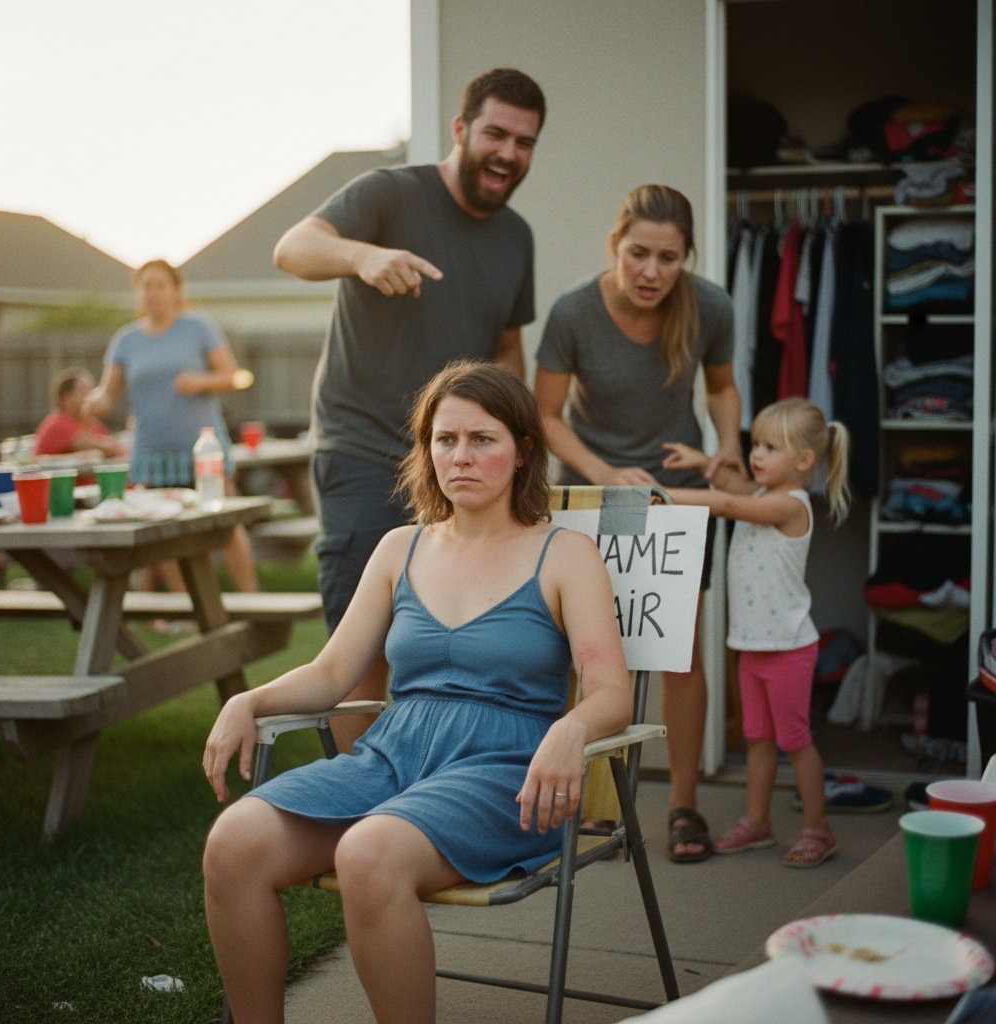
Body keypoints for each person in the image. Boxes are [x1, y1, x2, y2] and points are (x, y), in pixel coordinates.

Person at [201, 360, 631, 1024]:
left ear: (522, 452)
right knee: (233, 842)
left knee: (368, 854)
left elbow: (609, 691)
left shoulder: (565, 554)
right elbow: (331, 673)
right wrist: (247, 701)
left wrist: (571, 729)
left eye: (483, 439)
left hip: (505, 771)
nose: (461, 456)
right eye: (445, 439)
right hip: (394, 758)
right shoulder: (400, 548)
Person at [272, 67, 546, 753]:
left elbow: (506, 350)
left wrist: (514, 447)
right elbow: (292, 248)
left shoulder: (516, 238)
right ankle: (355, 806)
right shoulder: (391, 194)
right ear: (460, 130)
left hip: (462, 469)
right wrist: (361, 256)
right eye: (496, 133)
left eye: (525, 141)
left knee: (455, 653)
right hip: (367, 456)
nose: (508, 152)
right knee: (363, 655)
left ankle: (421, 808)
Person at [534, 183, 742, 863]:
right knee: (586, 654)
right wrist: (602, 473)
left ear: (687, 258)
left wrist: (729, 448)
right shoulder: (572, 312)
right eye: (638, 254)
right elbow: (544, 417)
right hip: (596, 500)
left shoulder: (709, 305)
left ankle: (683, 807)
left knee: (678, 653)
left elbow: (719, 387)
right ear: (615, 246)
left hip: (673, 499)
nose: (652, 271)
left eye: (668, 257)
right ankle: (582, 802)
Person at [661, 397, 851, 868]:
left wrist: (664, 496)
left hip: (788, 649)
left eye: (770, 447)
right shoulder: (764, 495)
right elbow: (730, 484)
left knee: (795, 740)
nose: (756, 454)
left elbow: (727, 502)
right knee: (757, 740)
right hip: (753, 647)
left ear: (805, 461)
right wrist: (704, 462)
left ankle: (818, 829)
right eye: (755, 444)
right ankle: (757, 822)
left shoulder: (790, 505)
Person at [85, 259, 258, 594]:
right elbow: (107, 394)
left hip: (203, 447)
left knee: (225, 526)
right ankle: (183, 609)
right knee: (163, 534)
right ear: (138, 292)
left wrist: (201, 380)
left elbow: (232, 376)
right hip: (152, 453)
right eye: (145, 285)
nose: (153, 292)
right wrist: (94, 403)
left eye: (160, 285)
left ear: (176, 290)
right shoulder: (126, 339)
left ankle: (253, 602)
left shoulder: (199, 327)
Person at [34, 367, 124, 459]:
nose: (90, 398)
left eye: (91, 391)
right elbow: (105, 446)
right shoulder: (58, 423)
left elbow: (116, 450)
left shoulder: (91, 423)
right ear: (66, 398)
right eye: (83, 392)